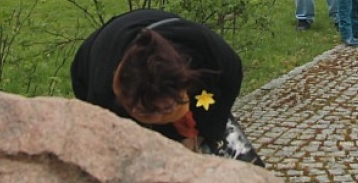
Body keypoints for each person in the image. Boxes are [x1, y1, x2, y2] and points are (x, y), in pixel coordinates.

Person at [71, 9, 243, 152]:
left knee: (218, 144)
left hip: (174, 57)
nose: (160, 116)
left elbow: (231, 79)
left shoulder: (205, 49)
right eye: (149, 113)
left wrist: (205, 132)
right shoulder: (102, 94)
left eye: (166, 111)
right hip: (93, 62)